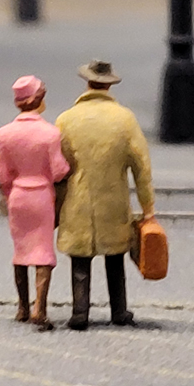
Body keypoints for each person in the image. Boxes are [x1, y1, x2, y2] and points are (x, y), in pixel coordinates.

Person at [56, 59, 154, 330]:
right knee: (116, 259)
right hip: (113, 202)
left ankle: (79, 312)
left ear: (87, 82)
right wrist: (147, 206)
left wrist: (56, 201)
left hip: (77, 200)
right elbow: (141, 166)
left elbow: (57, 166)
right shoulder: (125, 119)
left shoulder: (66, 119)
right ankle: (119, 310)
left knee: (80, 261)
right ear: (109, 85)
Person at [0, 76, 70, 332]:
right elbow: (59, 171)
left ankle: (22, 307)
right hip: (41, 196)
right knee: (43, 253)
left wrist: (10, 195)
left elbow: (3, 175)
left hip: (18, 195)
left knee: (20, 252)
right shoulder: (50, 133)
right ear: (39, 99)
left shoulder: (4, 134)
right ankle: (40, 307)